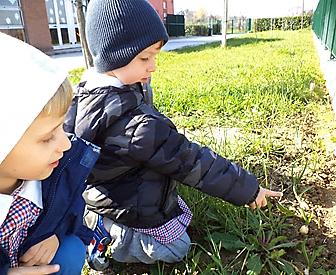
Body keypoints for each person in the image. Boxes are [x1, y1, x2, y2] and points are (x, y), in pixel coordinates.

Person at [64, 0, 283, 271]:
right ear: (113, 55)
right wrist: (249, 189)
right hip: (122, 203)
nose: (153, 66)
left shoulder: (87, 91)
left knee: (179, 213)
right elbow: (192, 161)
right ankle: (105, 232)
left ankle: (96, 216)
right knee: (177, 247)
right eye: (145, 58)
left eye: (155, 56)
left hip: (113, 188)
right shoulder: (136, 127)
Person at [0, 33, 100, 275]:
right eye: (47, 137)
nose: (66, 145)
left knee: (70, 250)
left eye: (62, 128)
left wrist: (56, 232)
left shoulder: (58, 173)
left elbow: (72, 206)